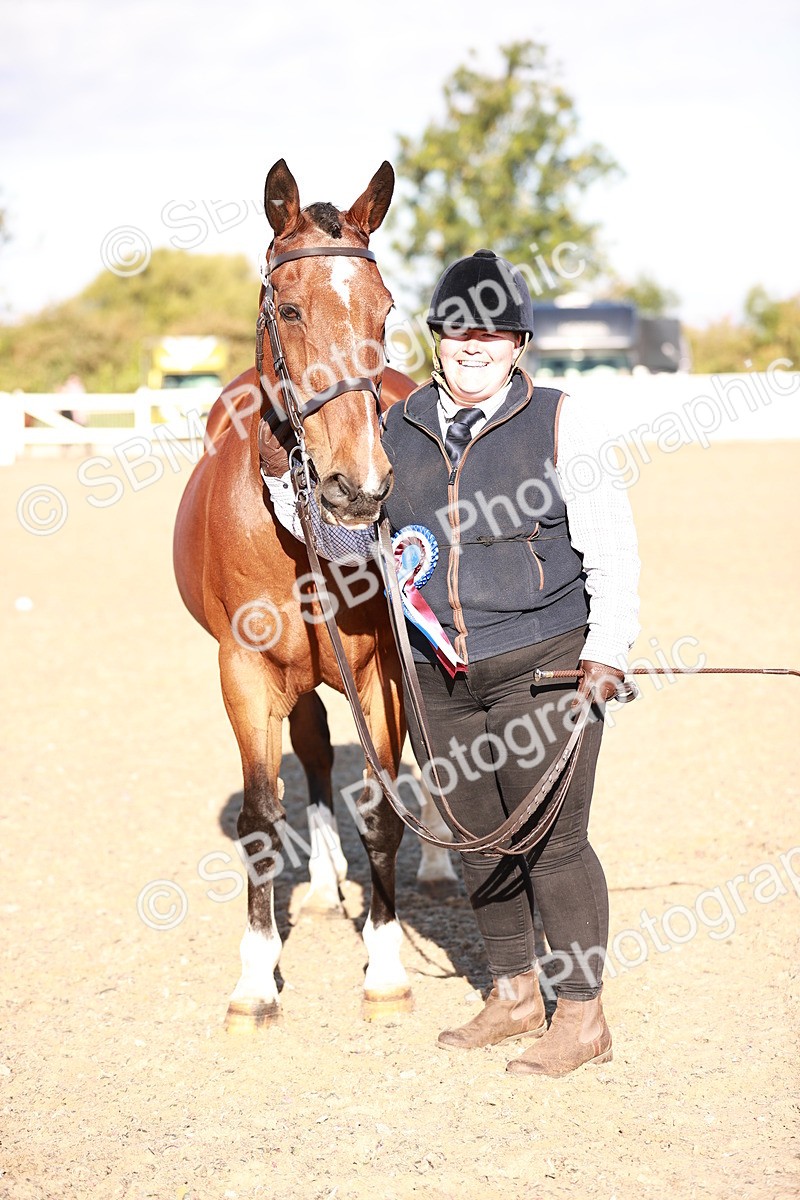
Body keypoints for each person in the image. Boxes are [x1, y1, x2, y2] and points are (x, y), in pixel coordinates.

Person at [380, 249, 640, 1077]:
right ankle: (514, 994)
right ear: (437, 336)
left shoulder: (565, 419)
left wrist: (608, 649)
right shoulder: (396, 424)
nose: (474, 345)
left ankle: (582, 1017)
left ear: (519, 342)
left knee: (553, 844)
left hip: (548, 664)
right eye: (459, 329)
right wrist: (288, 489)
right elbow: (359, 542)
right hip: (438, 675)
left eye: (493, 332)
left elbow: (613, 546)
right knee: (475, 841)